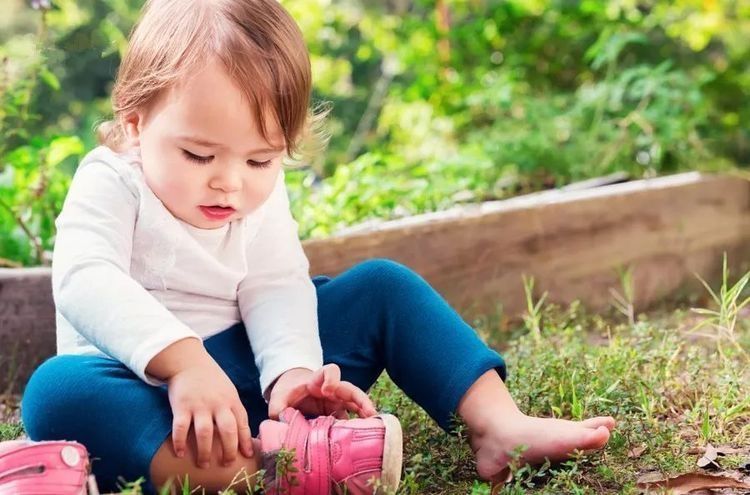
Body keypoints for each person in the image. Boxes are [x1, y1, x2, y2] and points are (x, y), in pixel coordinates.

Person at [20, 0, 616, 493]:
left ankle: (499, 427)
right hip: (152, 392)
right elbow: (86, 279)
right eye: (199, 155)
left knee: (383, 287)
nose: (230, 181)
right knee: (57, 394)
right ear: (134, 121)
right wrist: (184, 365)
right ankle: (268, 472)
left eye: (260, 157)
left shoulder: (257, 192)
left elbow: (275, 284)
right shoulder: (110, 181)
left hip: (252, 376)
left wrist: (292, 378)